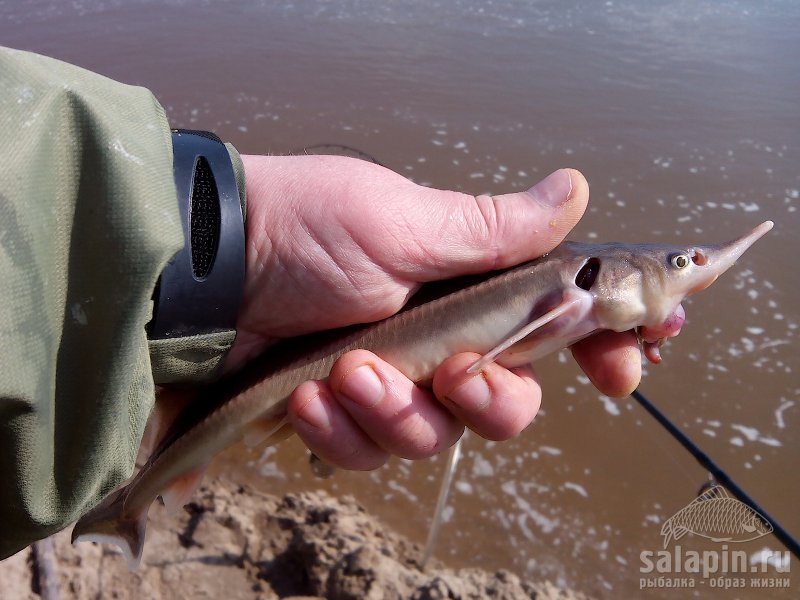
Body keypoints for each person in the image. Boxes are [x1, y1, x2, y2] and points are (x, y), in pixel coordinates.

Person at [0, 47, 641, 558]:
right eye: (679, 262)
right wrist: (242, 251)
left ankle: (130, 498)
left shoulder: (574, 308)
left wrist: (239, 254)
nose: (686, 269)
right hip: (256, 374)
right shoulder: (565, 288)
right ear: (588, 276)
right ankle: (129, 503)